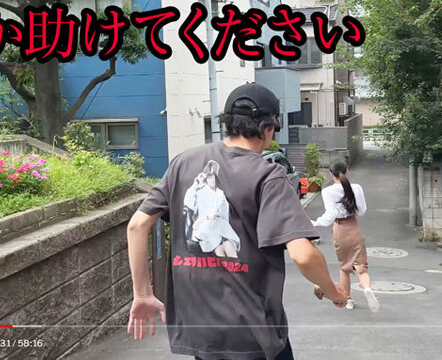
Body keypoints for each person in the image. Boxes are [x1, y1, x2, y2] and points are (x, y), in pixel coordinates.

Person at [127, 83, 349, 360]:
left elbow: (137, 226)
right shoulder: (268, 176)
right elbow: (303, 255)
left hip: (202, 334)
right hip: (254, 337)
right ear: (269, 128)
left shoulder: (183, 163)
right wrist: (333, 291)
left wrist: (143, 294)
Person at [311, 160, 380, 313]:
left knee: (344, 267)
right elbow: (361, 210)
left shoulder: (328, 191)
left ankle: (347, 299)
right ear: (347, 171)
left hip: (339, 229)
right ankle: (367, 288)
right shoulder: (356, 188)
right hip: (353, 227)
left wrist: (317, 222)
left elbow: (330, 214)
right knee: (361, 267)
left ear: (331, 174)